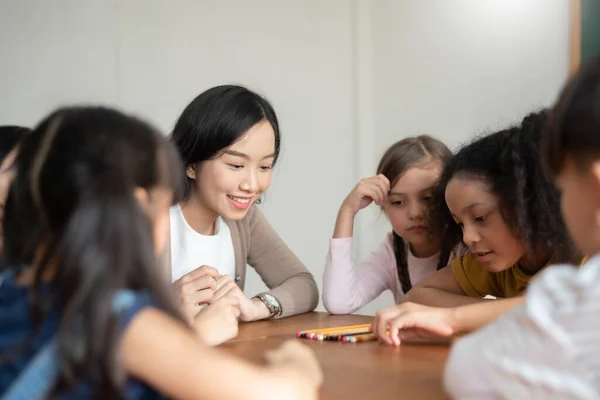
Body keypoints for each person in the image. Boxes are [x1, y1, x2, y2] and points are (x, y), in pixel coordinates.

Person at [0, 106, 322, 399]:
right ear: (141, 207)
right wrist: (297, 361)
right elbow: (283, 394)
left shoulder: (11, 285)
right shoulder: (121, 321)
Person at [444, 54, 600, 400]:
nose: (469, 238)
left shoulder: (575, 290)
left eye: (560, 185)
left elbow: (467, 372)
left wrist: (457, 318)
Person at [373, 111, 580, 345]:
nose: (468, 237)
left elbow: (560, 309)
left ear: (526, 204)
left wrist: (455, 318)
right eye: (460, 224)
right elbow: (419, 297)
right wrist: (502, 314)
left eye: (480, 217)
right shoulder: (496, 264)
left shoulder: (586, 254)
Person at [168, 85, 318, 322]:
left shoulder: (244, 220)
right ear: (192, 164)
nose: (251, 184)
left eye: (265, 167)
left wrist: (255, 307)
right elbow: (99, 313)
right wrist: (165, 306)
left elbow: (303, 284)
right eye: (236, 165)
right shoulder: (148, 219)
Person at [322, 136, 462, 314]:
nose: (415, 213)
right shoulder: (393, 252)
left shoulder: (465, 247)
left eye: (428, 198)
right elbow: (339, 302)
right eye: (397, 202)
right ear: (383, 207)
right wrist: (347, 211)